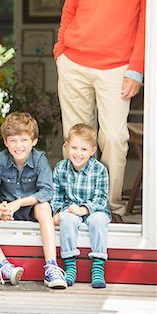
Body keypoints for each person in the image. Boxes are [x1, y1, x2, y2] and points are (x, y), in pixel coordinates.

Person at [53, 0, 146, 219]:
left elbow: (149, 18)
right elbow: (70, 9)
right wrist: (60, 50)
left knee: (114, 138)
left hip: (117, 67)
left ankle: (107, 207)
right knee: (74, 138)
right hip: (74, 61)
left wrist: (136, 69)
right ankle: (73, 204)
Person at [0, 111, 67, 288]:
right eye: (12, 140)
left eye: (24, 140)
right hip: (4, 209)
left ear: (34, 141)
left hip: (29, 209)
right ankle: (4, 266)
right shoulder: (0, 159)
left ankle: (51, 266)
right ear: (6, 142)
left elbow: (47, 191)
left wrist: (19, 203)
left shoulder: (39, 159)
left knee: (44, 207)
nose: (18, 146)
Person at [52, 123, 111, 288]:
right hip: (70, 209)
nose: (78, 154)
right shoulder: (60, 168)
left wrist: (84, 209)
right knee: (68, 220)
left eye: (84, 149)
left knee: (99, 221)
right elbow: (57, 196)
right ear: (66, 147)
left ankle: (98, 267)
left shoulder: (99, 170)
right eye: (74, 148)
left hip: (94, 210)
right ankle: (70, 265)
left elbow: (101, 199)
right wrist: (57, 211)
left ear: (93, 150)